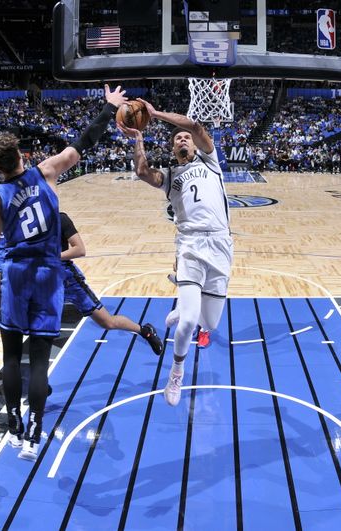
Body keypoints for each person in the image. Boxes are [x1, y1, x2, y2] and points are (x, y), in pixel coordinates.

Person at [0, 84, 127, 460]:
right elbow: (83, 142)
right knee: (41, 360)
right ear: (22, 156)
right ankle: (35, 433)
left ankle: (13, 428)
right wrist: (109, 109)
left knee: (12, 358)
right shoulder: (47, 172)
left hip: (16, 277)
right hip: (48, 274)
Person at [119, 98, 233, 407]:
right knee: (186, 326)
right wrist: (139, 139)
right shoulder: (170, 177)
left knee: (209, 324)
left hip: (221, 245)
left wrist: (155, 114)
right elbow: (143, 171)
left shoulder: (211, 163)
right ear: (173, 151)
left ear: (195, 146)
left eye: (185, 138)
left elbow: (195, 126)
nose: (182, 139)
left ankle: (185, 306)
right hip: (191, 247)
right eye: (176, 140)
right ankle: (177, 371)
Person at [59, 211, 163, 354]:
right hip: (41, 280)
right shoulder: (23, 221)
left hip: (67, 279)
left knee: (107, 322)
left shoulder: (60, 218)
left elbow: (80, 250)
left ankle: (144, 330)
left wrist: (51, 257)